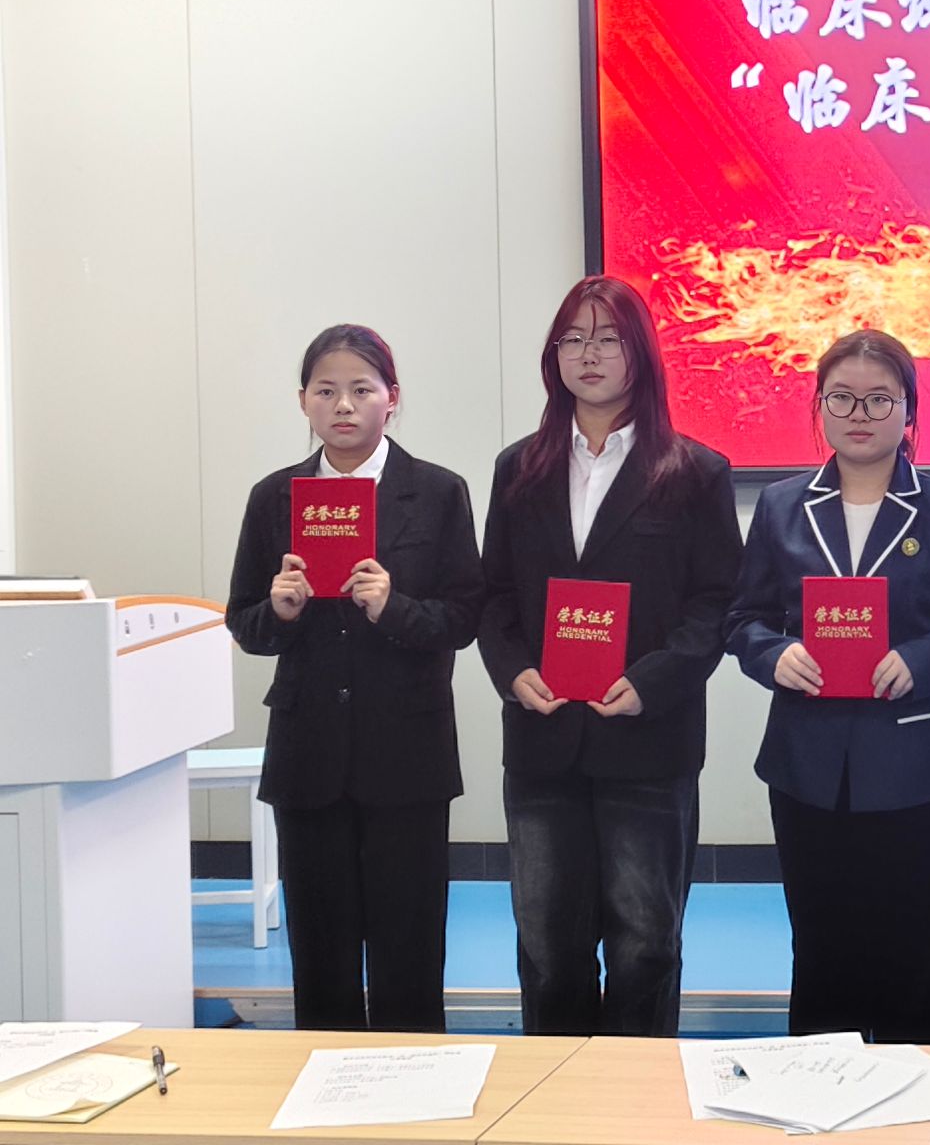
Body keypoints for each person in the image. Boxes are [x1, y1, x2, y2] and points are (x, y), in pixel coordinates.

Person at [477, 275, 742, 1037]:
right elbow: (493, 596)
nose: (588, 354)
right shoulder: (518, 469)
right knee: (548, 951)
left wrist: (651, 682)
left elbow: (716, 603)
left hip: (647, 742)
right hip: (544, 738)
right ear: (553, 356)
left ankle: (636, 1095)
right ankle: (555, 1094)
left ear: (640, 354)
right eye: (573, 338)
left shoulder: (695, 472)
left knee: (644, 949)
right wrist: (513, 671)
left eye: (607, 338)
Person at [725, 329, 930, 1044]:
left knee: (917, 947)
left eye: (880, 399)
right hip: (808, 763)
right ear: (819, 406)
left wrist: (922, 661)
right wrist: (773, 655)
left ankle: (926, 1088)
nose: (860, 413)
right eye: (842, 398)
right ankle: (822, 1089)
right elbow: (744, 618)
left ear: (908, 411)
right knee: (822, 947)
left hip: (918, 763)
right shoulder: (782, 505)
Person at [226, 323, 482, 1032]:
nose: (343, 405)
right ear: (302, 401)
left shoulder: (437, 491)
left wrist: (393, 607)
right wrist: (278, 611)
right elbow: (243, 622)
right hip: (308, 752)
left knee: (409, 951)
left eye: (361, 389)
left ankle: (417, 1080)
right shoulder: (274, 497)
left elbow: (465, 617)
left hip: (407, 752)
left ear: (391, 398)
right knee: (320, 955)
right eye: (326, 390)